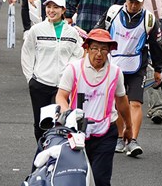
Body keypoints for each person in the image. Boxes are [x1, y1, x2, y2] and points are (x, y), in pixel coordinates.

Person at [55, 29, 133, 186]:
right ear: (87, 48)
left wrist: (128, 126)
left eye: (104, 49)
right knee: (75, 179)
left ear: (110, 51)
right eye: (95, 48)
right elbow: (61, 96)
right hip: (75, 133)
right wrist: (67, 112)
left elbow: (122, 101)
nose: (99, 53)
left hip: (105, 132)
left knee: (100, 179)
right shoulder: (74, 68)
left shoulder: (116, 72)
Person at [94, 0, 162, 157]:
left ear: (143, 2)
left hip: (137, 65)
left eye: (137, 3)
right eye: (131, 2)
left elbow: (156, 46)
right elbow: (98, 34)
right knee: (118, 104)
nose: (133, 5)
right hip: (114, 65)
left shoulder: (149, 19)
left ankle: (132, 140)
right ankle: (119, 137)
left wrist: (158, 68)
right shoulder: (113, 13)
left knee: (135, 103)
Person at [21, 0, 83, 141]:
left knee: (61, 123)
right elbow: (27, 53)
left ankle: (56, 156)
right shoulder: (37, 30)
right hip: (40, 84)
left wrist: (68, 71)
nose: (51, 10)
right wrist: (30, 78)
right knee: (41, 125)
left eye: (56, 7)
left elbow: (78, 53)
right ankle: (42, 154)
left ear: (63, 10)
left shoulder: (72, 32)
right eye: (49, 7)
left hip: (62, 86)